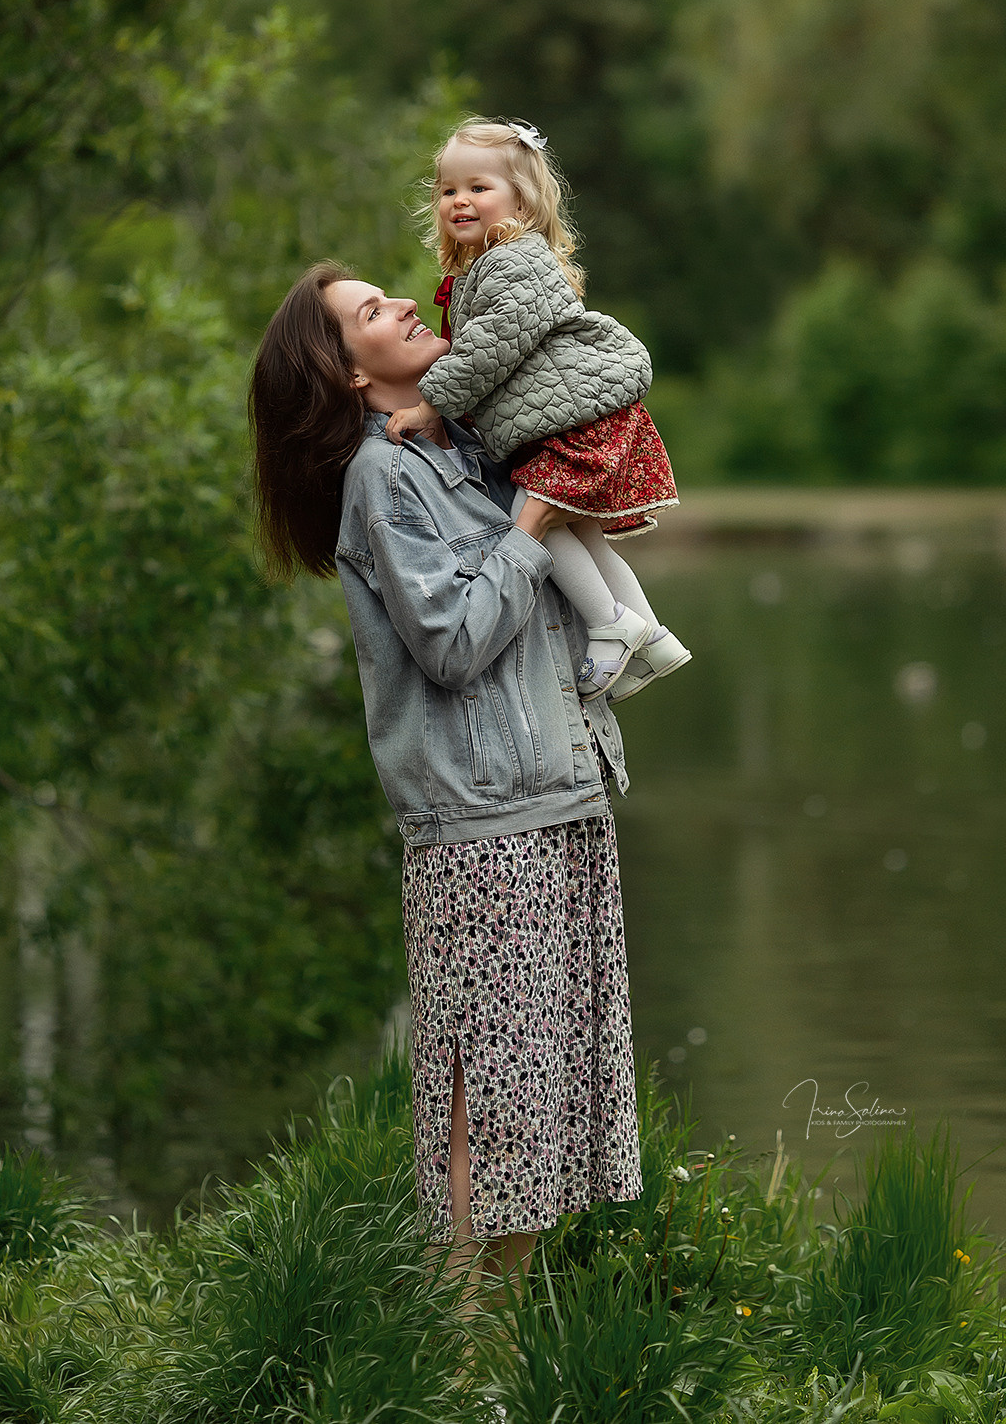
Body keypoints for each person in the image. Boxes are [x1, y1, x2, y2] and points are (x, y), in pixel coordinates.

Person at [249, 261, 644, 1298]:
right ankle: (463, 1347)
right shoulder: (382, 478)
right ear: (342, 374)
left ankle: (500, 1342)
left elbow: (596, 382)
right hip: (481, 822)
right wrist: (528, 529)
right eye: (371, 313)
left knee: (547, 1095)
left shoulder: (464, 440)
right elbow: (453, 641)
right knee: (487, 1092)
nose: (405, 309)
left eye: (392, 296)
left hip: (559, 792)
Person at [386, 116, 691, 704]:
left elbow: (489, 348)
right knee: (585, 535)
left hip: (577, 418)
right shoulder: (485, 267)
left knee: (536, 525)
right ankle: (651, 635)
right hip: (569, 416)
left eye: (479, 187)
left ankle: (610, 623)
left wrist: (432, 404)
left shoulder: (513, 263)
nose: (460, 200)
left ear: (521, 200)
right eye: (448, 191)